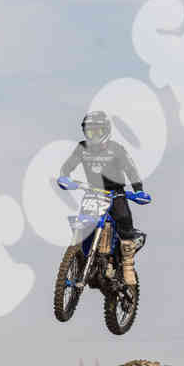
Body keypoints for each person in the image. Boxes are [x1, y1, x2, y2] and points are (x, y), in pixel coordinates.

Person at [58, 110, 146, 286]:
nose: (93, 135)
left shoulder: (116, 149)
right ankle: (80, 258)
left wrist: (139, 190)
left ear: (106, 131)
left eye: (97, 131)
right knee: (82, 221)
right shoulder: (82, 148)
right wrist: (64, 177)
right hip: (94, 192)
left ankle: (127, 266)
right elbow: (68, 166)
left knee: (123, 219)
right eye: (89, 132)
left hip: (116, 192)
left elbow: (131, 169)